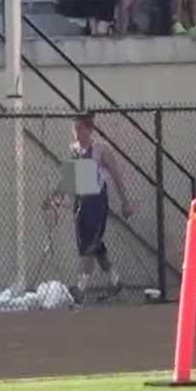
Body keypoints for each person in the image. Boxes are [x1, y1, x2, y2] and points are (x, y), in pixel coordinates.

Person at [61, 113, 134, 301]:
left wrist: (124, 201)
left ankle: (81, 288)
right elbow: (70, 179)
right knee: (94, 245)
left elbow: (116, 176)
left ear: (89, 129)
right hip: (81, 202)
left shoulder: (101, 149)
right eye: (74, 129)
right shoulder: (74, 150)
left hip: (96, 202)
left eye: (80, 129)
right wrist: (58, 197)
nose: (76, 133)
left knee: (89, 245)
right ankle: (115, 281)